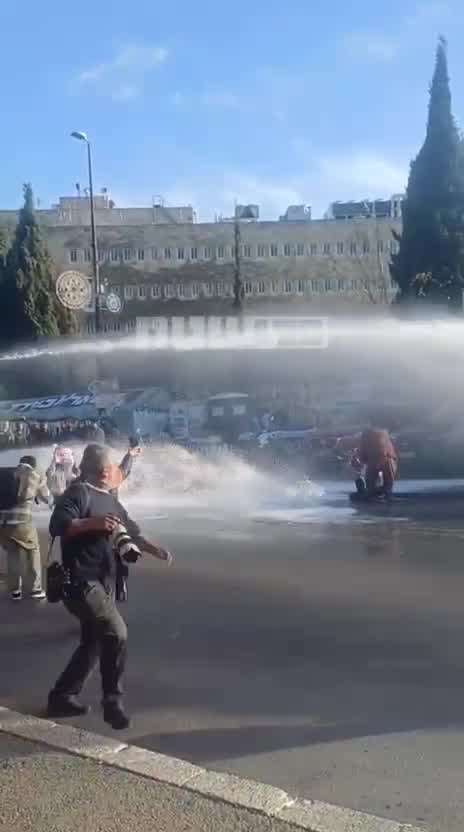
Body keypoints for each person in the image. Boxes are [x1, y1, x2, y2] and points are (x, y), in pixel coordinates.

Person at [46, 443, 172, 730]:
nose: (119, 471)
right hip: (80, 582)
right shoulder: (78, 493)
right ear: (105, 472)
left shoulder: (112, 501)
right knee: (116, 633)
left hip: (101, 583)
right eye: (116, 467)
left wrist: (155, 549)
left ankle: (61, 697)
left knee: (93, 643)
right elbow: (59, 524)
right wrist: (94, 523)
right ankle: (112, 701)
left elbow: (132, 532)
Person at [0, 455, 51, 601]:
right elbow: (46, 496)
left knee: (13, 553)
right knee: (32, 550)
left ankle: (15, 590)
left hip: (2, 523)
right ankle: (35, 589)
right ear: (33, 465)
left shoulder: (9, 474)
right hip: (21, 522)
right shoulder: (34, 474)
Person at [359, 426, 398, 500]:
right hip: (383, 456)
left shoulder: (367, 434)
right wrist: (392, 456)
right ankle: (385, 494)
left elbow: (362, 447)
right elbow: (388, 446)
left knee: (372, 477)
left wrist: (363, 458)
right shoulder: (383, 433)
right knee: (387, 477)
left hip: (378, 457)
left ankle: (373, 494)